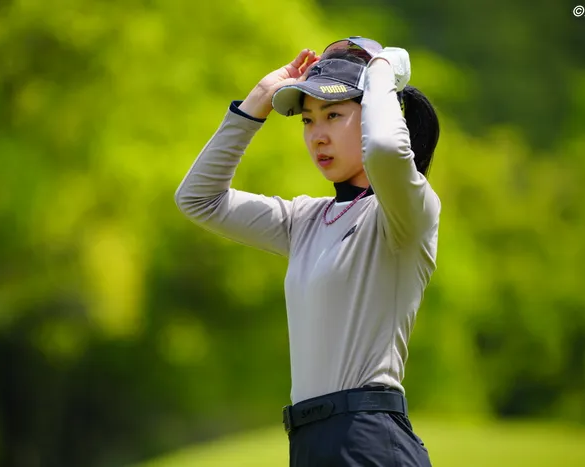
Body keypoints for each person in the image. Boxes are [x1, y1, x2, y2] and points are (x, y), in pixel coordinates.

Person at [175, 36, 440, 467]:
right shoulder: (305, 220)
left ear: (374, 113)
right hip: (309, 443)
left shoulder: (407, 213)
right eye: (307, 120)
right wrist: (259, 99)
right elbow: (198, 198)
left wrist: (380, 73)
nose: (318, 135)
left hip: (369, 438)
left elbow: (386, 150)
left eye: (333, 115)